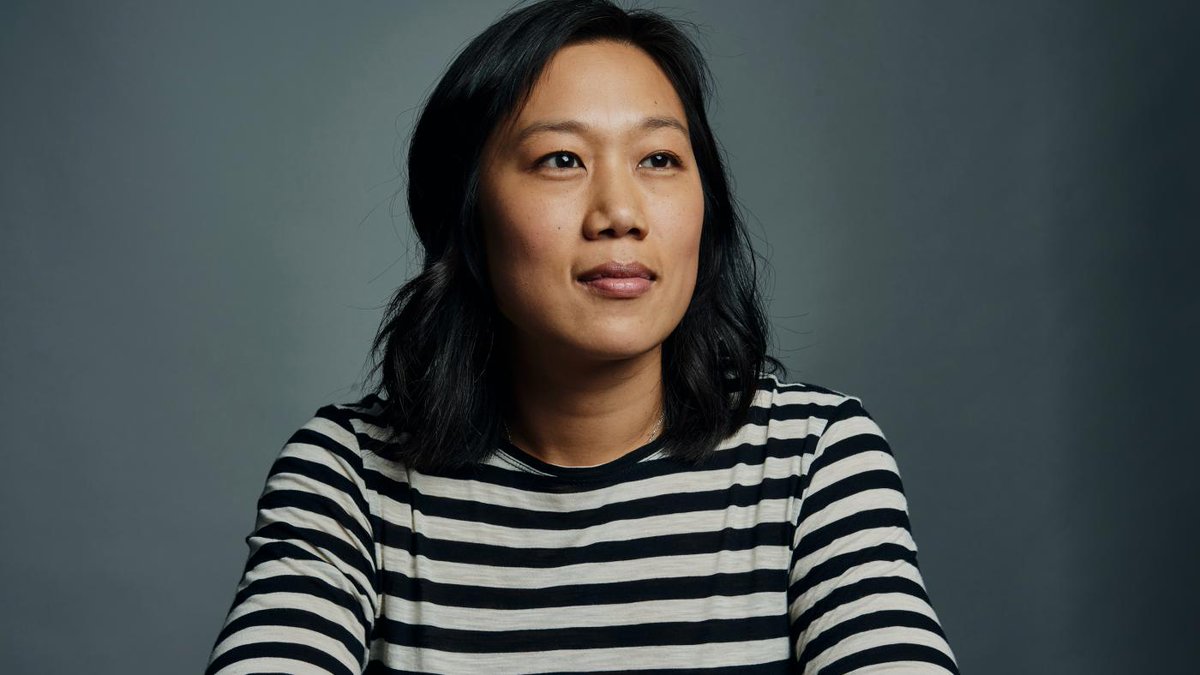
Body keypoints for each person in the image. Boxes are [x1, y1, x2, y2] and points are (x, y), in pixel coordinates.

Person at [205, 1, 959, 672]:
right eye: (561, 159)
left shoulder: (811, 457)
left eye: (659, 159)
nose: (620, 213)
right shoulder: (350, 476)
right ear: (466, 214)